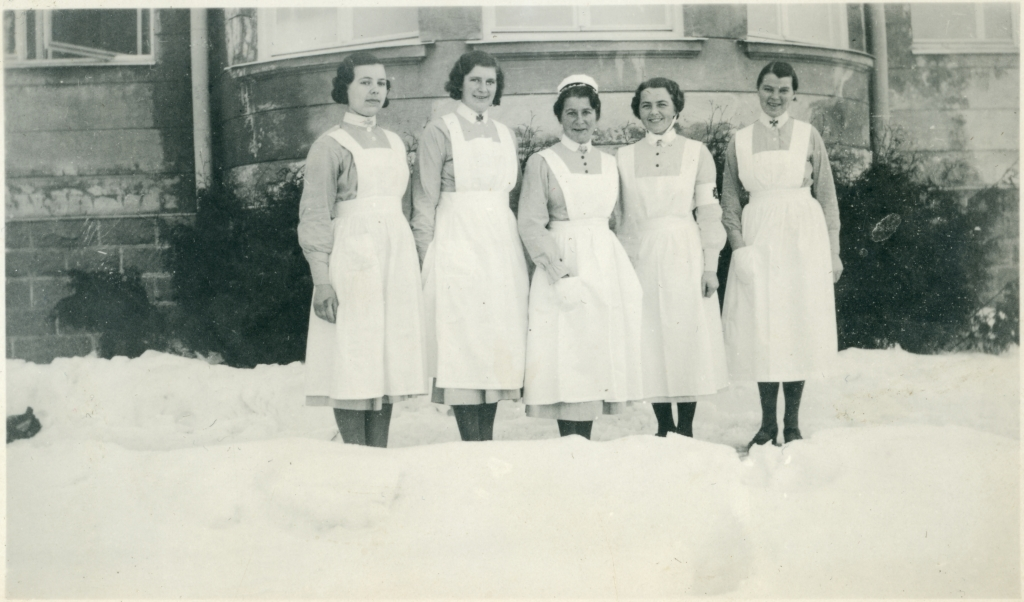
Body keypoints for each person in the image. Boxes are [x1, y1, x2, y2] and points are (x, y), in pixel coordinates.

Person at [298, 52, 428, 448]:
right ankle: (355, 457)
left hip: (394, 253)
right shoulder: (329, 145)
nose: (375, 90)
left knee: (386, 354)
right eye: (365, 82)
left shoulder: (395, 142)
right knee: (355, 353)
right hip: (353, 254)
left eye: (381, 83)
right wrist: (322, 280)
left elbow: (405, 206)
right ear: (346, 88)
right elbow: (315, 215)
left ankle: (378, 454)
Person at [720, 61, 842, 449]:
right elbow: (729, 201)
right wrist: (739, 248)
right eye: (768, 89)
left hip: (802, 238)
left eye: (783, 90)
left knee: (796, 325)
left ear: (794, 94)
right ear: (758, 91)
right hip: (759, 237)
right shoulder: (739, 140)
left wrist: (834, 251)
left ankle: (792, 424)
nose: (775, 97)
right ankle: (767, 424)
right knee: (763, 328)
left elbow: (827, 196)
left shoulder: (808, 135)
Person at [517, 74, 644, 440]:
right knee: (567, 354)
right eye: (571, 113)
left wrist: (624, 270)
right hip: (563, 264)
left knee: (596, 354)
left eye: (586, 112)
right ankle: (570, 443)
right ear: (560, 116)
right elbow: (530, 223)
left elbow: (622, 220)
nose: (579, 120)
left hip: (604, 263)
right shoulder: (542, 162)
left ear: (596, 115)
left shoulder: (610, 162)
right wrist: (559, 273)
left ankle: (584, 444)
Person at [412, 51, 529, 442]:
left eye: (490, 82)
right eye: (475, 80)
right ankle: (470, 443)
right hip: (456, 240)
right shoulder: (439, 130)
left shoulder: (505, 133)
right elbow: (424, 200)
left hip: (500, 246)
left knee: (495, 340)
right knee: (464, 340)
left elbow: (511, 197)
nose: (483, 88)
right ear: (459, 83)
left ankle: (486, 439)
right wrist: (425, 256)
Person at [616, 77, 729, 438]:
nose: (654, 112)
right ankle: (663, 426)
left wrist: (710, 266)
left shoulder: (697, 152)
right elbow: (621, 218)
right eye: (646, 105)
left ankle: (686, 428)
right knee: (652, 338)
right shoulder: (624, 157)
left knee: (685, 336)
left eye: (662, 104)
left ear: (676, 108)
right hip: (644, 253)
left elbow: (709, 213)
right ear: (638, 111)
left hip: (685, 251)